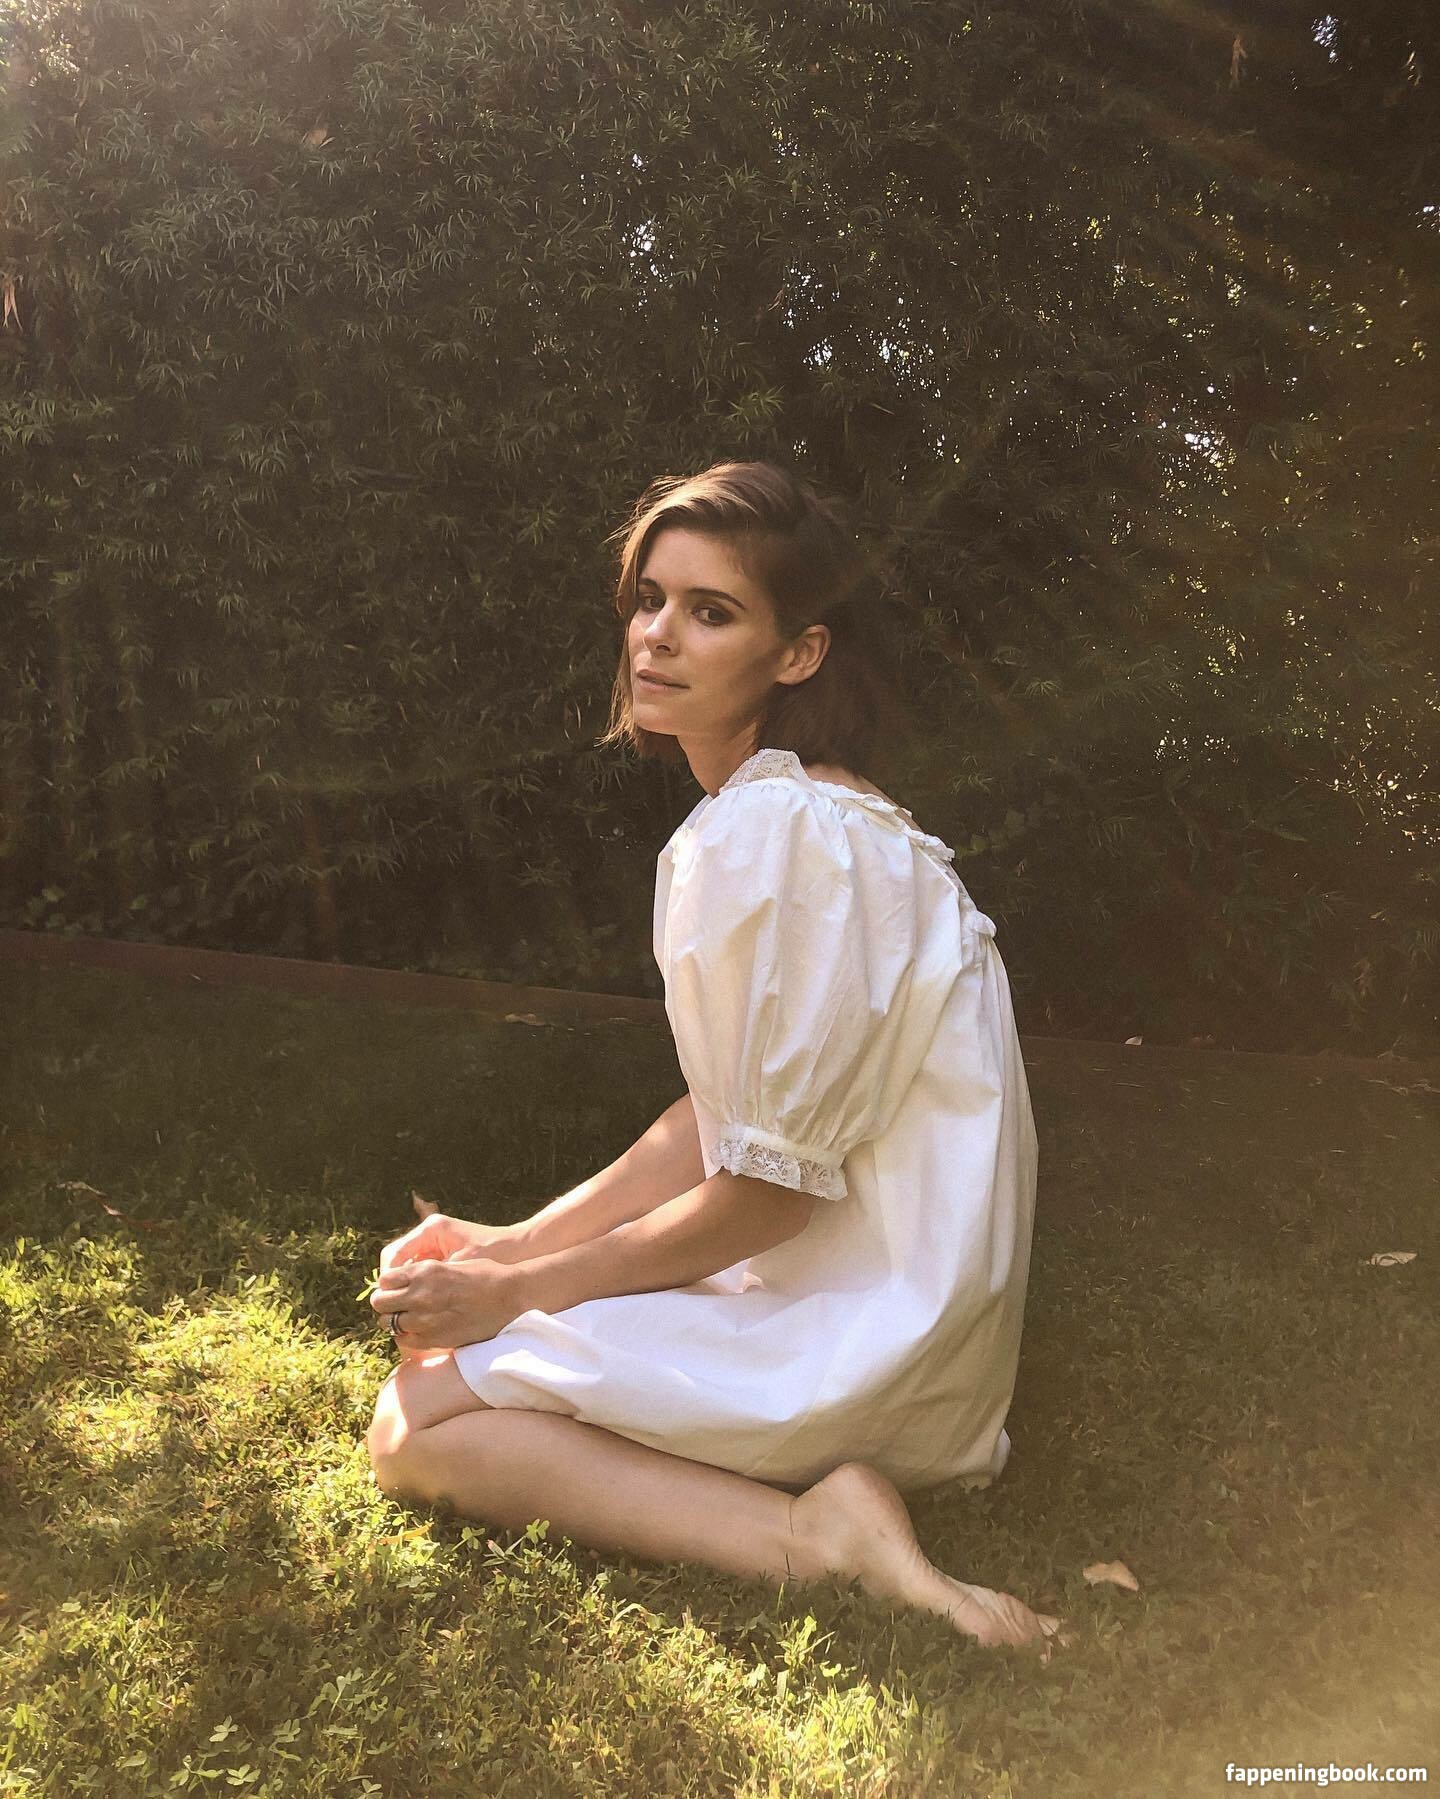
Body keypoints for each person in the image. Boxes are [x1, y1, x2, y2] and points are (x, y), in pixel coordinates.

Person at [364, 461, 1060, 1650]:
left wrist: (521, 1289)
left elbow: (770, 1195)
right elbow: (722, 1115)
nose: (657, 635)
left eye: (711, 610)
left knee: (417, 1420)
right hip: (898, 1323)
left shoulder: (774, 829)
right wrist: (513, 1240)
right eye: (650, 599)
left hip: (859, 1331)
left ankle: (815, 1535)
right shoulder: (822, 815)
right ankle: (812, 1500)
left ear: (799, 653)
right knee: (453, 1356)